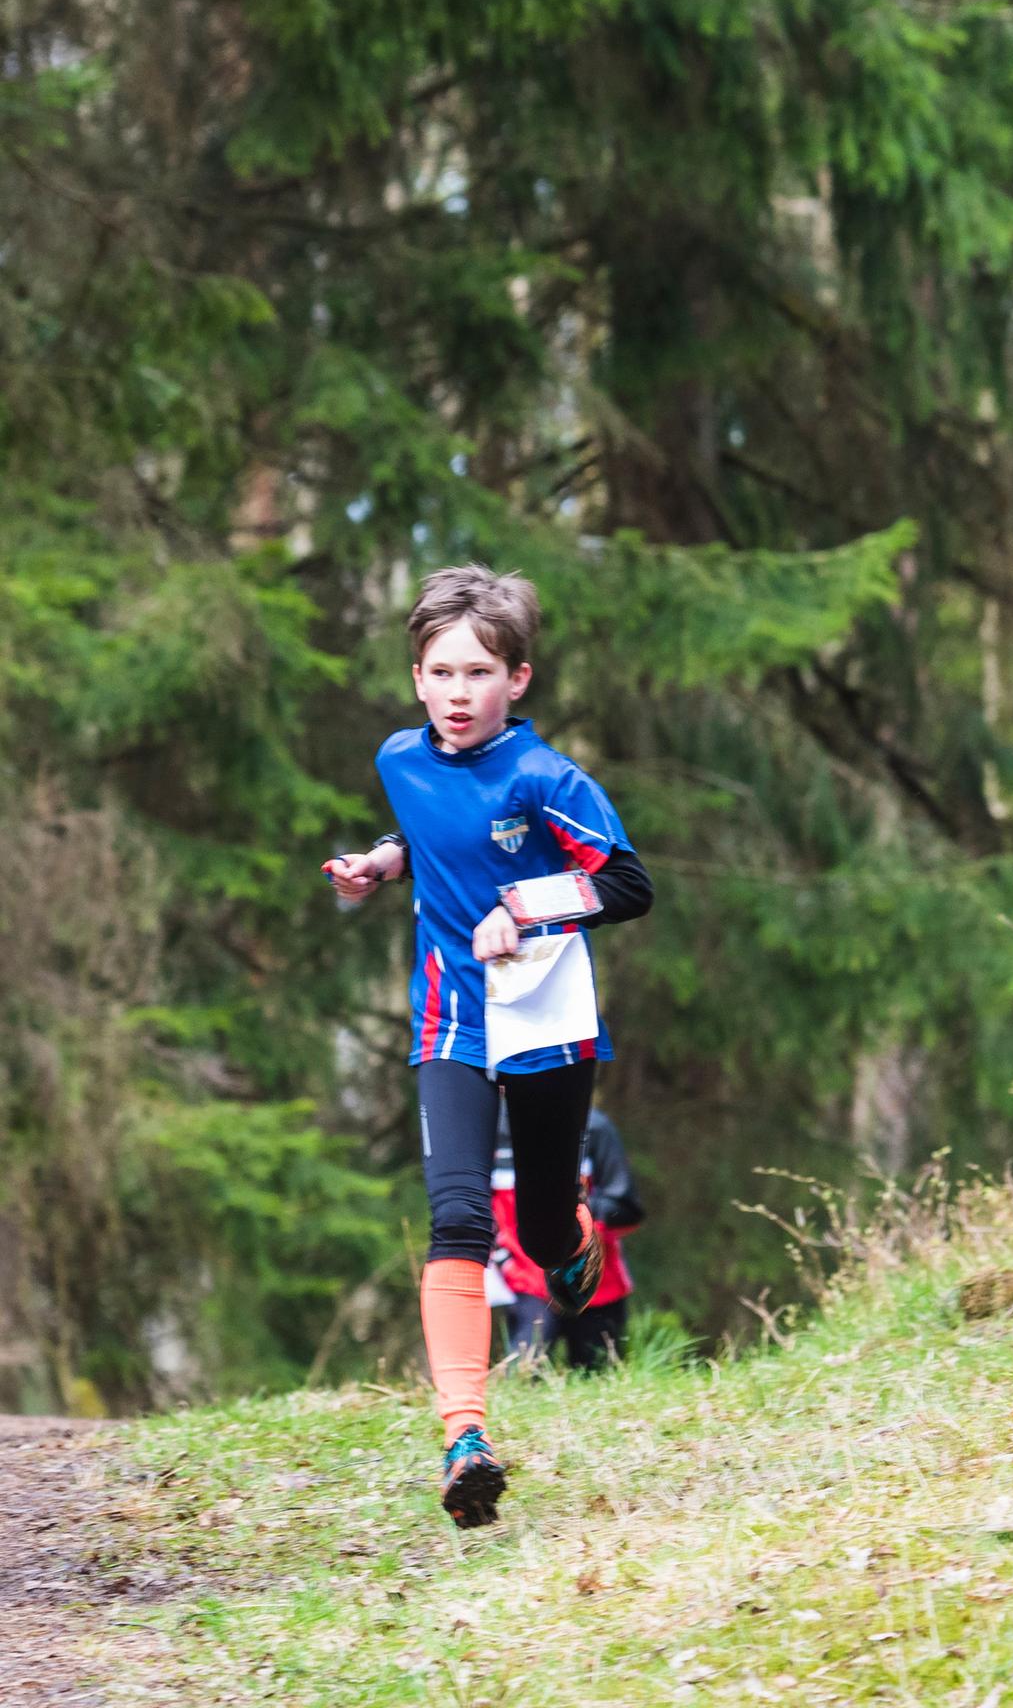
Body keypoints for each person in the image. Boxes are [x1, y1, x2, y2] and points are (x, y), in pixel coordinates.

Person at [323, 565, 653, 1528]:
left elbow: (629, 885)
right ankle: (465, 1436)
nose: (458, 692)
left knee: (544, 1234)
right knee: (459, 1220)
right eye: (440, 672)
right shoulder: (400, 760)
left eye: (479, 673)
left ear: (519, 680)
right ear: (416, 679)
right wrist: (382, 863)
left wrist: (527, 908)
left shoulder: (549, 779)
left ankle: (576, 1235)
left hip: (546, 1020)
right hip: (450, 1022)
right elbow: (433, 830)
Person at [493, 1104, 644, 1370]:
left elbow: (627, 1208)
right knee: (523, 1376)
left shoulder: (594, 1126)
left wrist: (573, 1208)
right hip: (524, 1283)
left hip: (595, 1284)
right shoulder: (486, 1131)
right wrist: (502, 1260)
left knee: (601, 1381)